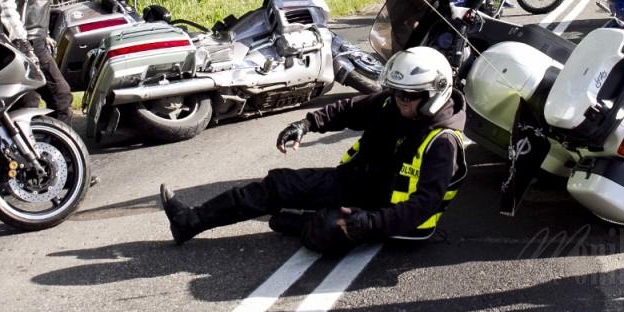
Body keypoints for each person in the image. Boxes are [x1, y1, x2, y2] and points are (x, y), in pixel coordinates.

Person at [158, 46, 468, 253]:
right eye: (397, 93)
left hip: (395, 221)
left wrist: (371, 222)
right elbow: (348, 109)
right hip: (358, 182)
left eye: (410, 96)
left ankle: (302, 223)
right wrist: (306, 124)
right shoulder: (393, 104)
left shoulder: (443, 142)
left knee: (329, 229)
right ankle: (190, 221)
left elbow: (425, 204)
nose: (401, 100)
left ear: (434, 94)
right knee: (279, 184)